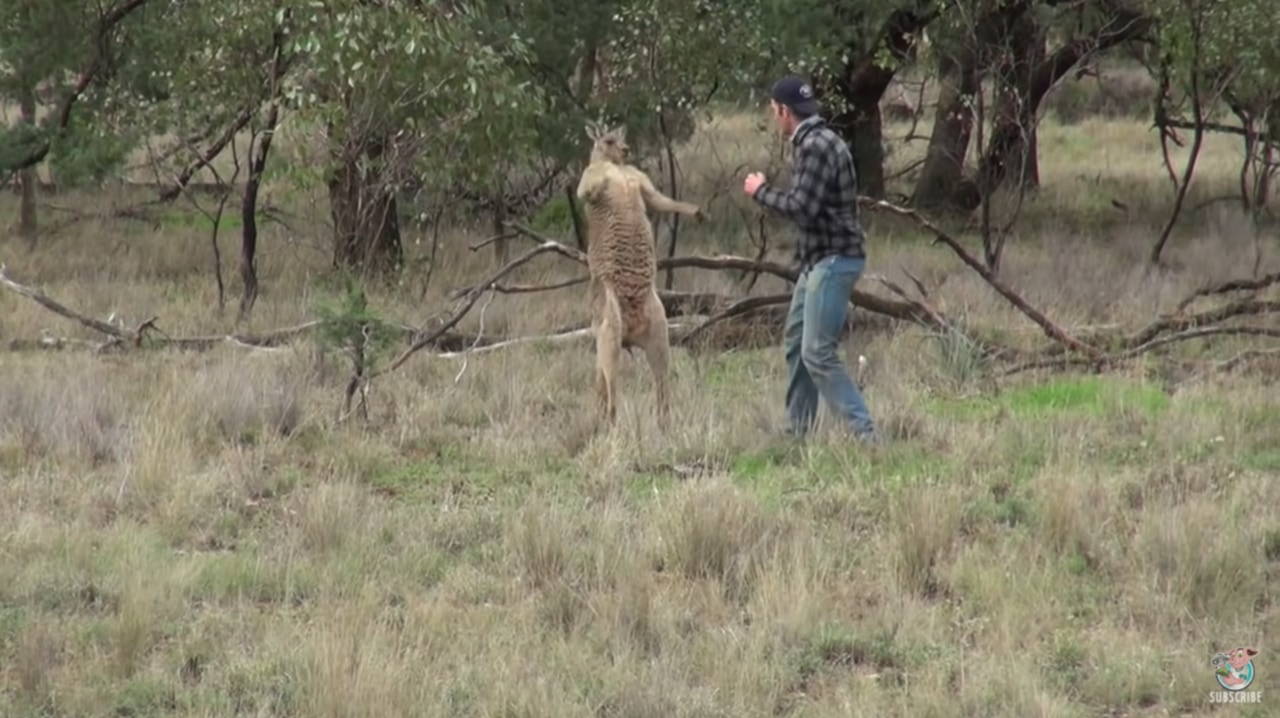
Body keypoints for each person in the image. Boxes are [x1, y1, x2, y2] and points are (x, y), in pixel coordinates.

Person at [743, 75, 881, 444]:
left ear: (785, 111)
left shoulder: (816, 146)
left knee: (817, 351)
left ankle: (866, 436)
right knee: (796, 343)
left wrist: (761, 193)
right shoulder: (817, 140)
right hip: (818, 261)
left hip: (834, 261)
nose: (774, 118)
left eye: (774, 111)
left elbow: (803, 208)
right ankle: (798, 432)